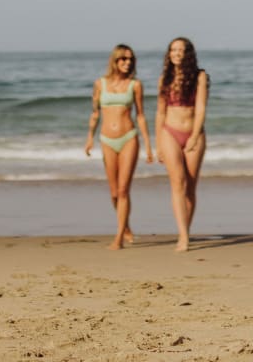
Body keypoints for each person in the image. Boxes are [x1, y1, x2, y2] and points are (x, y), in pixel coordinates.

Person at [85, 44, 153, 250]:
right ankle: (126, 226)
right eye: (123, 59)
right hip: (106, 139)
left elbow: (140, 115)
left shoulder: (135, 85)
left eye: (131, 59)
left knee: (123, 190)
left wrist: (149, 146)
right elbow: (95, 113)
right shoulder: (100, 84)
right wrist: (89, 138)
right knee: (114, 192)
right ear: (114, 61)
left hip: (129, 138)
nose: (127, 63)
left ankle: (118, 238)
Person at [155, 37, 209, 252]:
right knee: (177, 182)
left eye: (181, 50)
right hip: (169, 132)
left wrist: (195, 136)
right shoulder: (164, 79)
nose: (176, 53)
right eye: (173, 50)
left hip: (194, 133)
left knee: (190, 187)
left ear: (188, 53)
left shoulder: (200, 76)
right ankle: (183, 236)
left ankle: (186, 228)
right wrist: (158, 142)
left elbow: (201, 108)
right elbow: (160, 112)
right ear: (169, 54)